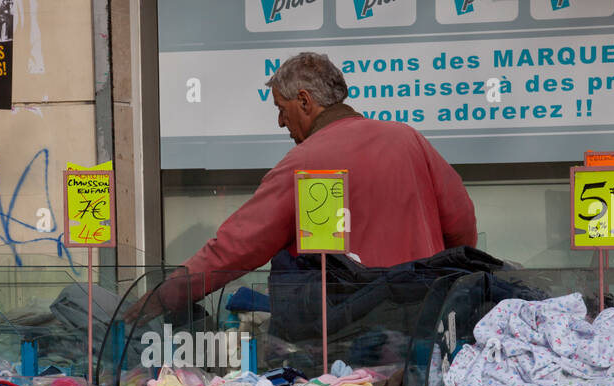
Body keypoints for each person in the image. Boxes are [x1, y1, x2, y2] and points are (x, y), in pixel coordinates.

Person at [158, 51, 478, 310]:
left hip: (350, 327)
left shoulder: (307, 160)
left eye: (282, 109)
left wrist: (164, 297)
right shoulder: (408, 139)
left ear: (305, 101)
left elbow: (237, 247)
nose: (281, 121)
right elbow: (461, 223)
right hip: (422, 312)